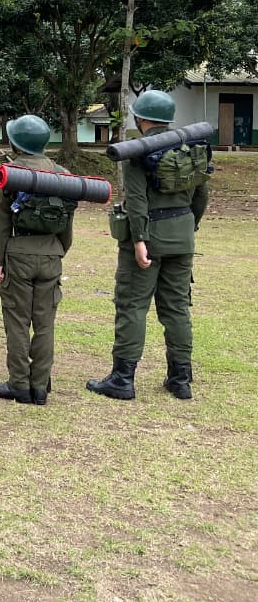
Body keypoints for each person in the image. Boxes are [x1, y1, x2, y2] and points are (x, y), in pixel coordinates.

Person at [88, 90, 211, 401]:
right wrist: (187, 227)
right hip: (183, 237)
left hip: (147, 239)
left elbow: (137, 201)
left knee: (132, 305)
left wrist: (140, 239)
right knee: (177, 309)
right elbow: (201, 196)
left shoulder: (137, 151)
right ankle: (180, 378)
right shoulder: (191, 146)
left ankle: (122, 378)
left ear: (140, 118)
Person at [0, 115, 74, 406]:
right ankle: (40, 386)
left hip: (18, 253)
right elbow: (66, 222)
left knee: (18, 321)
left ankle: (19, 384)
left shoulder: (9, 173)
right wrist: (57, 250)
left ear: (15, 141)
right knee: (45, 322)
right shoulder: (63, 174)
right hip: (52, 254)